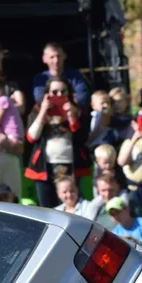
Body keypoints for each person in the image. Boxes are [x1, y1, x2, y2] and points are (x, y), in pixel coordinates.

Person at [25, 77, 90, 209]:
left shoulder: (77, 110)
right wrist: (43, 111)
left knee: (71, 206)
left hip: (71, 166)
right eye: (54, 92)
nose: (59, 95)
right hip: (45, 167)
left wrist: (72, 116)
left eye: (63, 91)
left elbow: (82, 137)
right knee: (47, 209)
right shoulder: (37, 109)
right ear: (47, 94)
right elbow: (31, 137)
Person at [31, 42, 90, 107]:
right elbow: (39, 98)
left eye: (59, 56)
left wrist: (53, 99)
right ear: (44, 59)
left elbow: (83, 96)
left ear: (64, 56)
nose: (56, 60)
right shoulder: (40, 78)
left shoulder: (76, 75)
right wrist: (70, 98)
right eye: (52, 57)